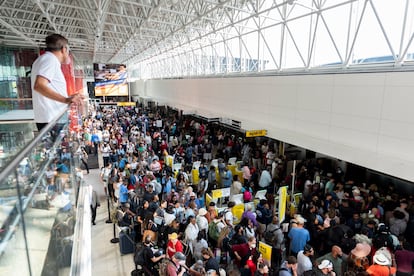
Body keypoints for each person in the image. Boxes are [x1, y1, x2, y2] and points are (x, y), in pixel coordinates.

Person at [31, 33, 83, 131]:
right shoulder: (50, 60)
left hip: (50, 118)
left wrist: (69, 98)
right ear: (64, 49)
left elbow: (48, 87)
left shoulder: (44, 60)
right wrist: (65, 100)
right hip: (52, 119)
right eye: (68, 50)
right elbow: (39, 85)